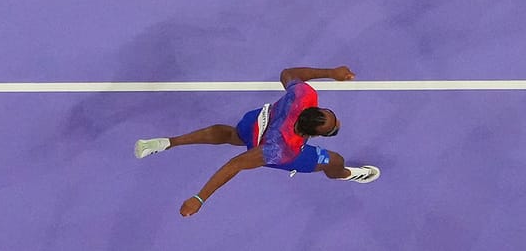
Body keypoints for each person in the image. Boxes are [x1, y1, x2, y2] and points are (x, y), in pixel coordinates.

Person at [136, 65, 381, 216]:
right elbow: (235, 164)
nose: (337, 123)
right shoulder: (282, 151)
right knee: (334, 160)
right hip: (267, 144)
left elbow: (288, 73)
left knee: (231, 134)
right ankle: (348, 174)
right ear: (314, 135)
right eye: (331, 127)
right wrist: (199, 198)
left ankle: (167, 142)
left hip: (254, 124)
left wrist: (330, 73)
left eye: (331, 118)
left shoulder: (303, 95)